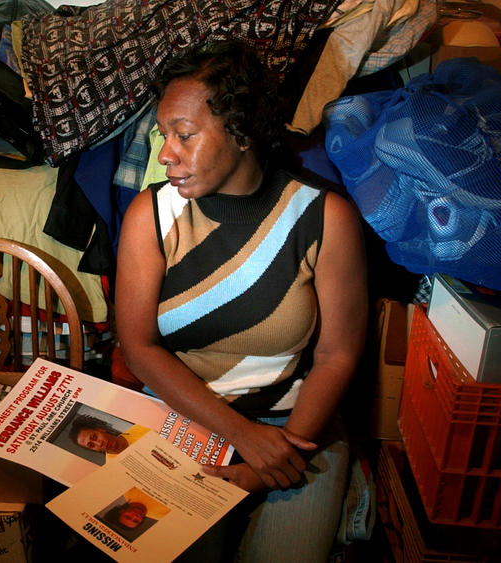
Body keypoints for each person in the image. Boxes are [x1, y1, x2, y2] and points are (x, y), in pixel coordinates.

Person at [114, 41, 367, 562]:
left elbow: (336, 355)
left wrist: (272, 454)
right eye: (165, 135)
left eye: (184, 135)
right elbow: (139, 348)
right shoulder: (150, 216)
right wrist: (239, 434)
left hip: (294, 429)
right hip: (180, 417)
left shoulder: (324, 218)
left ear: (243, 132)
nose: (165, 154)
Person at [68, 415, 150, 459]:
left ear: (101, 430)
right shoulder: (113, 469)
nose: (99, 444)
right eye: (92, 445)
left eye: (94, 437)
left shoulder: (143, 427)